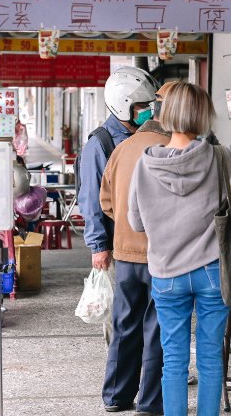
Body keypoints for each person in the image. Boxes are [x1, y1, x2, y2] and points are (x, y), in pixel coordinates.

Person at [127, 82, 231, 416]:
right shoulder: (219, 158)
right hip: (213, 271)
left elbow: (136, 223)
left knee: (172, 361)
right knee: (211, 357)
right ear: (204, 116)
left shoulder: (145, 165)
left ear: (165, 114)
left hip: (167, 272)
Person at [76, 66, 161, 413]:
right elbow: (92, 198)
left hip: (140, 248)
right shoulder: (102, 142)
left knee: (134, 322)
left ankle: (126, 395)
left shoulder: (145, 137)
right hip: (123, 248)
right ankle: (118, 395)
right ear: (123, 105)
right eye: (142, 106)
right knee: (128, 325)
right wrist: (100, 246)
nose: (149, 111)